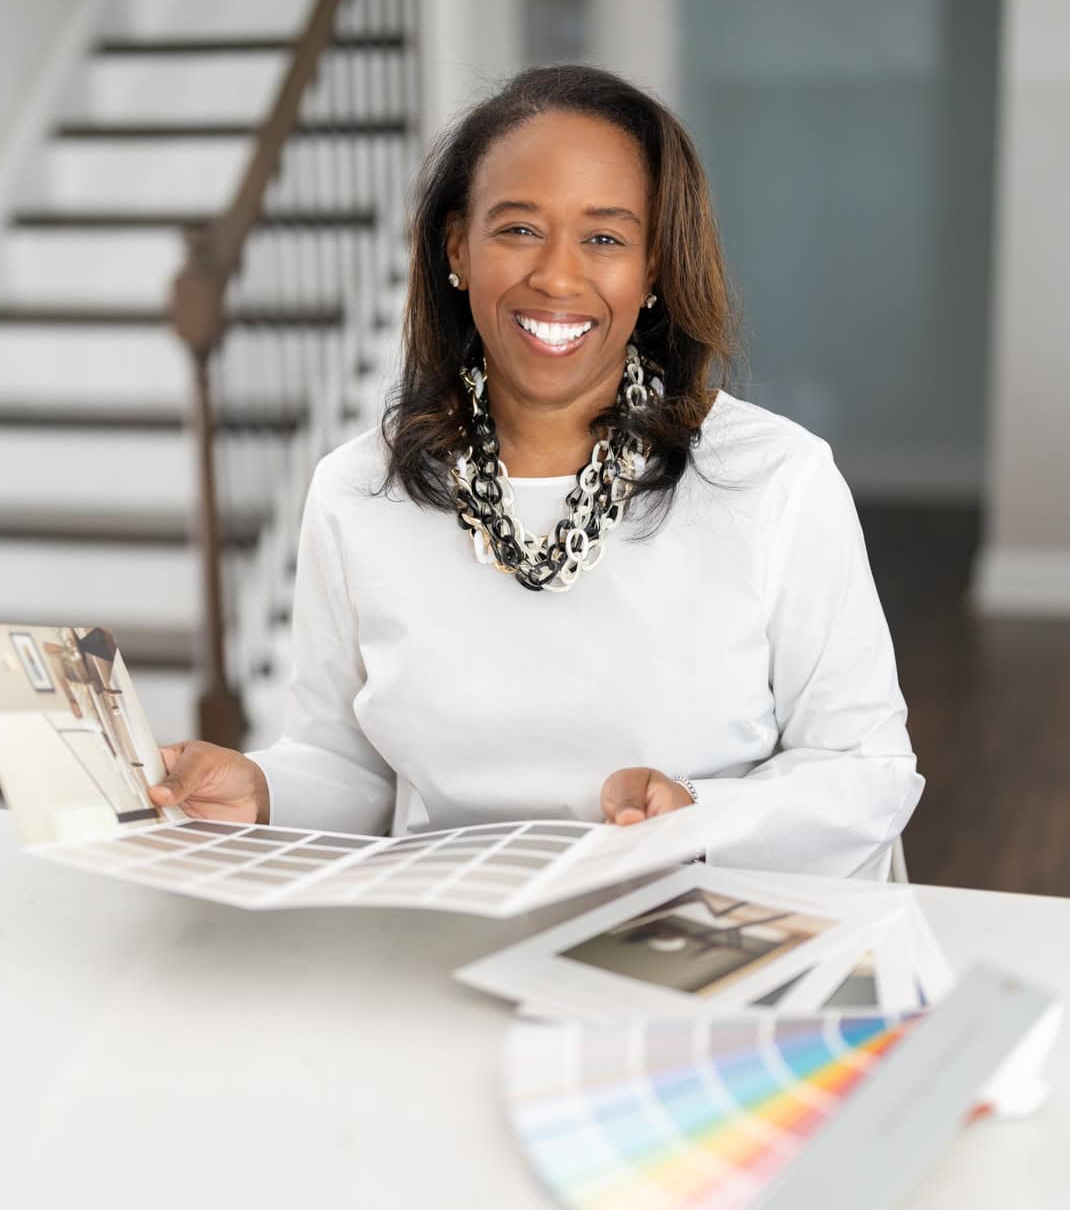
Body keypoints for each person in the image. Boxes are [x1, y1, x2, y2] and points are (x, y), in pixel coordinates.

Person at [149, 64, 923, 880]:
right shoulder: (355, 492)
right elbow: (350, 768)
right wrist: (261, 789)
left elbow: (866, 769)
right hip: (441, 938)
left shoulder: (776, 482)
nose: (556, 277)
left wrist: (700, 813)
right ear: (458, 248)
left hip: (680, 941)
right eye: (518, 229)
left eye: (604, 238)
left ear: (653, 266)